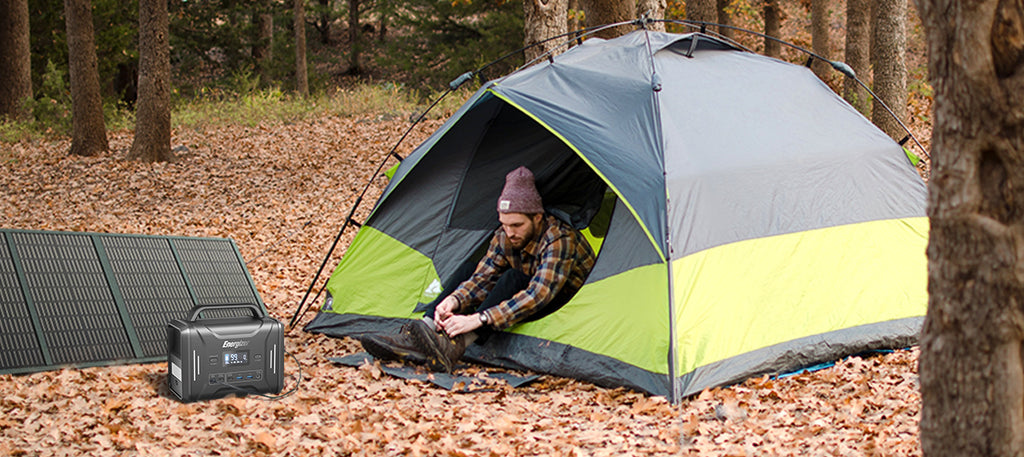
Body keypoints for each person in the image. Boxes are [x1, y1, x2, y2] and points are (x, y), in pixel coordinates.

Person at [358, 166, 597, 372]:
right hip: (523, 301)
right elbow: (483, 275)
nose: (510, 232)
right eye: (504, 224)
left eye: (517, 225)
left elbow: (538, 294)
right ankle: (423, 331)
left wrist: (478, 319)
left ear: (537, 218)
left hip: (566, 307)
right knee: (469, 269)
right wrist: (453, 301)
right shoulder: (505, 235)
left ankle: (457, 345)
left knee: (513, 277)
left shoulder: (559, 238)